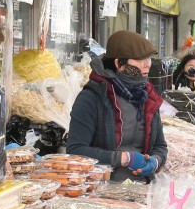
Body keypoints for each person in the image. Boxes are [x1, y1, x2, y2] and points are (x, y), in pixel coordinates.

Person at [66, 30, 168, 182]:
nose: (147, 64)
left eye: (149, 58)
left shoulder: (147, 96)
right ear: (119, 64)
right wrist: (124, 158)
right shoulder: (92, 97)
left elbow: (160, 145)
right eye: (140, 59)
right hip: (101, 188)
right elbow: (75, 150)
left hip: (141, 188)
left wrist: (155, 162)